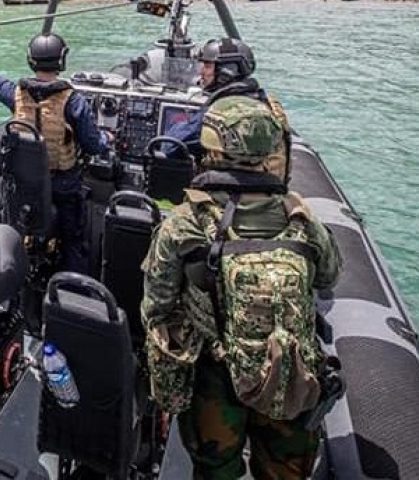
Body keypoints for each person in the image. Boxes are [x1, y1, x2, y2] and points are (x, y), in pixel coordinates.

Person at [142, 96, 342, 480]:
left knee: (215, 470)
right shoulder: (299, 215)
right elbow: (329, 277)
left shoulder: (185, 223)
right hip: (293, 375)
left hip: (215, 380)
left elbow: (157, 306)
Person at [0, 19, 109, 274]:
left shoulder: (15, 94)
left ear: (30, 61)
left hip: (25, 185)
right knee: (74, 241)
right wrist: (107, 141)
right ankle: (72, 287)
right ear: (62, 60)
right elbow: (92, 146)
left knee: (24, 223)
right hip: (63, 185)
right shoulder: (74, 102)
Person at [162, 37, 291, 180]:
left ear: (226, 72)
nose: (201, 72)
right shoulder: (267, 103)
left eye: (207, 66)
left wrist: (182, 125)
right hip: (271, 191)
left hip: (225, 196)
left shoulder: (220, 111)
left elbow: (169, 146)